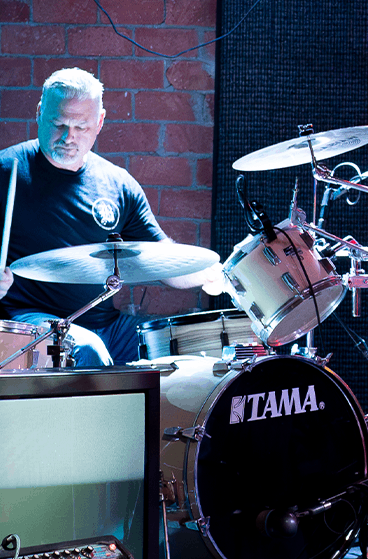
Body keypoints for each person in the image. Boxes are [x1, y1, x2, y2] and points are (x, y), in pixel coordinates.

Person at [0, 68, 224, 366]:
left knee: (178, 354)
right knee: (88, 350)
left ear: (100, 122)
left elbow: (165, 261)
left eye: (81, 127)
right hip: (28, 324)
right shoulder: (6, 171)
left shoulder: (118, 185)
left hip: (106, 324)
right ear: (40, 113)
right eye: (58, 123)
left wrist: (212, 273)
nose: (69, 137)